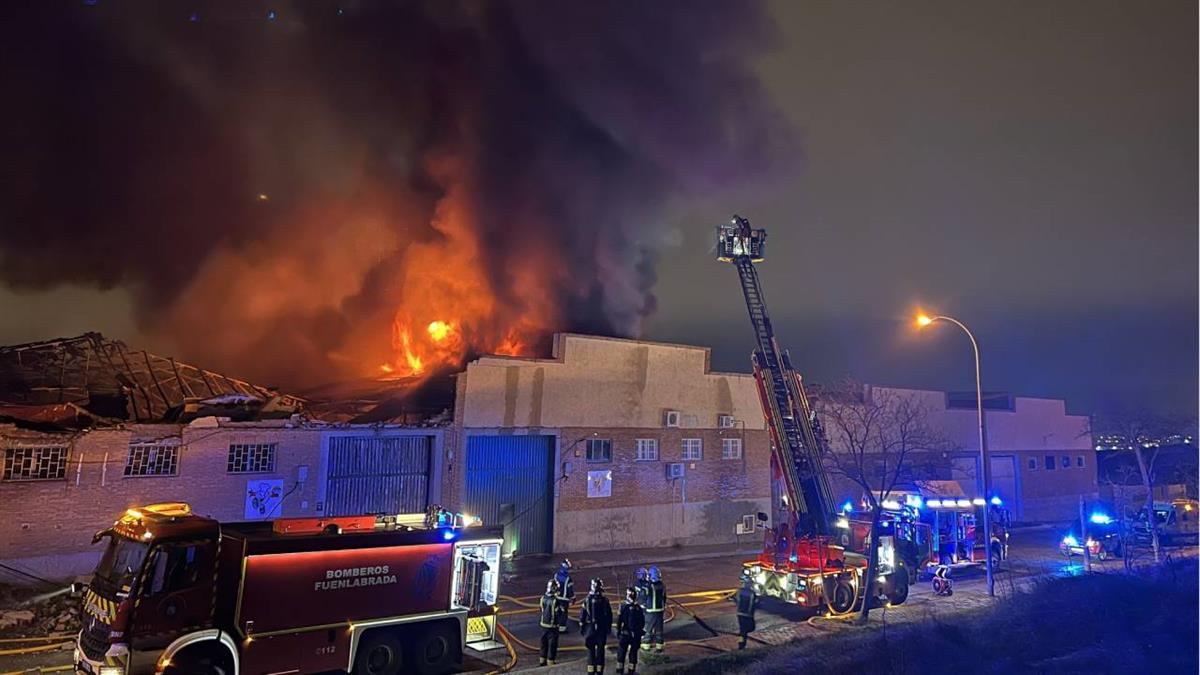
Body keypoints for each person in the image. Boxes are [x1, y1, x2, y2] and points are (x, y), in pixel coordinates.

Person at [580, 577, 613, 674]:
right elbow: (609, 616)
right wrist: (608, 628)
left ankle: (590, 672)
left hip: (590, 630)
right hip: (601, 629)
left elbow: (582, 616)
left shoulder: (587, 600)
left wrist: (583, 628)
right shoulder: (605, 601)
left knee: (590, 651)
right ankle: (599, 671)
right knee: (600, 651)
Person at [615, 586, 645, 674]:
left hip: (624, 634)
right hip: (635, 635)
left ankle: (619, 671)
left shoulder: (623, 607)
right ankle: (631, 671)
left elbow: (619, 621)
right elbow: (642, 622)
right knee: (633, 654)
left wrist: (618, 632)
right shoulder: (638, 608)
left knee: (621, 652)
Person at [539, 579, 566, 666]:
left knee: (543, 644)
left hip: (543, 625)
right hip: (552, 626)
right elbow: (559, 613)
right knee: (552, 645)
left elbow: (542, 609)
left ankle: (542, 660)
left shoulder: (543, 598)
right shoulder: (555, 601)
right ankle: (550, 661)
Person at [641, 566, 666, 652]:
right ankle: (659, 646)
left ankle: (646, 645)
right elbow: (664, 598)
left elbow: (643, 598)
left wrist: (642, 605)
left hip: (650, 611)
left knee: (648, 628)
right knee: (659, 629)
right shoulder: (662, 585)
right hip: (660, 611)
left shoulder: (648, 586)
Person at [734, 573, 758, 650]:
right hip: (748, 615)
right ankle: (741, 645)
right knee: (749, 628)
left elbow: (736, 600)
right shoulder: (752, 593)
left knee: (743, 630)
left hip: (740, 614)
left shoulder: (739, 591)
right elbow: (754, 603)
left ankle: (741, 643)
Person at [554, 559, 575, 633]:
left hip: (556, 597)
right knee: (563, 614)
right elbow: (570, 590)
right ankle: (562, 628)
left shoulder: (556, 575)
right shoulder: (568, 578)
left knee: (557, 612)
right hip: (564, 599)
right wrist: (573, 598)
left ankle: (555, 626)